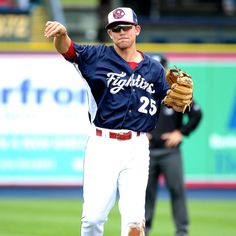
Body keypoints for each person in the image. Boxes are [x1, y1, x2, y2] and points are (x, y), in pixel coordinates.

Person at [44, 7, 189, 236]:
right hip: (102, 146)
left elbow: (174, 103)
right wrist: (61, 35)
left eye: (126, 27)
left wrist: (180, 102)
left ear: (137, 30)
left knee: (134, 223)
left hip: (137, 147)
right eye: (115, 28)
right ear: (109, 33)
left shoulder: (153, 69)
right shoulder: (96, 57)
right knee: (92, 219)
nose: (121, 31)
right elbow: (68, 50)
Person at [145, 55, 202, 236]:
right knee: (145, 193)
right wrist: (140, 131)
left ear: (166, 68)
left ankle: (182, 231)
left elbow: (196, 113)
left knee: (177, 190)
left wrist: (181, 132)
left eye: (160, 67)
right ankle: (143, 230)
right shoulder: (142, 88)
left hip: (170, 152)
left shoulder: (176, 90)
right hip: (146, 151)